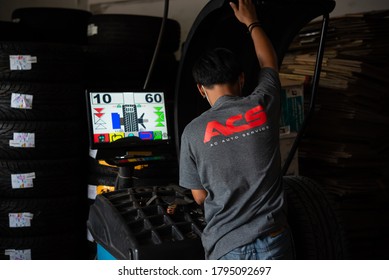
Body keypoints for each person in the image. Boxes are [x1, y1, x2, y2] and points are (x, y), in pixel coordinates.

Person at [179, 0, 295, 260]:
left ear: (201, 89)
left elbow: (199, 197)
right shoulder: (262, 104)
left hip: (226, 246)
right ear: (241, 78)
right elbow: (269, 64)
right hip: (273, 238)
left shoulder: (192, 132)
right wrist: (251, 22)